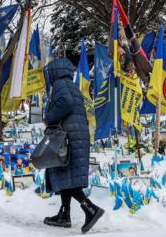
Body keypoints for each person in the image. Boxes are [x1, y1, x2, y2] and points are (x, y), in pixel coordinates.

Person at [42, 58, 104, 233]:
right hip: (75, 135)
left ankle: (91, 209)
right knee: (65, 175)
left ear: (54, 72)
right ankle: (64, 215)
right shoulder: (70, 84)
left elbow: (66, 103)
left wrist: (49, 118)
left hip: (68, 137)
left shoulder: (61, 84)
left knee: (67, 177)